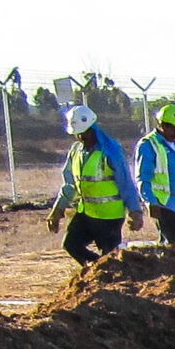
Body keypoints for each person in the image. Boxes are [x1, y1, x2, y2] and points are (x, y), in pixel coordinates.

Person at [47, 105, 143, 264]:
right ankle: (96, 269)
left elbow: (126, 183)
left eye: (84, 132)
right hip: (86, 213)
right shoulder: (76, 151)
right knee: (71, 245)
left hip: (110, 217)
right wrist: (58, 210)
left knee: (110, 257)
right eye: (77, 133)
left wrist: (135, 211)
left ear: (93, 129)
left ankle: (106, 271)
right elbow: (70, 184)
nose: (80, 137)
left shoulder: (111, 151)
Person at [138, 101, 175, 246]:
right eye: (173, 129)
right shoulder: (148, 145)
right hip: (163, 205)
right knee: (174, 245)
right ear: (162, 125)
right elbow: (142, 178)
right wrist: (150, 202)